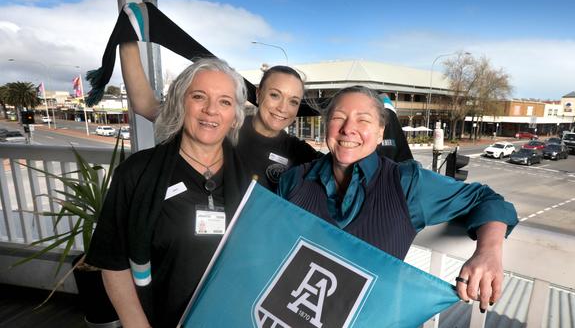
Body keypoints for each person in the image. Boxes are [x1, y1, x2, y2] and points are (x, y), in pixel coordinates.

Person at [278, 85, 518, 313]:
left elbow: (486, 199)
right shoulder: (294, 181)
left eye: (363, 120)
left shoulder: (406, 183)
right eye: (338, 117)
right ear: (326, 125)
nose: (348, 128)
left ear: (381, 133)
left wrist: (488, 252)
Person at [85, 57, 249, 328]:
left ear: (235, 117)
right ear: (180, 102)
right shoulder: (136, 173)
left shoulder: (249, 178)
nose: (211, 110)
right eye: (199, 96)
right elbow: (113, 262)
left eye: (225, 101)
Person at [120, 42, 321, 190]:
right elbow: (144, 104)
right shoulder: (221, 125)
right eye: (275, 95)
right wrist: (127, 39)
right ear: (259, 94)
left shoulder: (300, 153)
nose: (282, 108)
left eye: (293, 101)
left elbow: (345, 173)